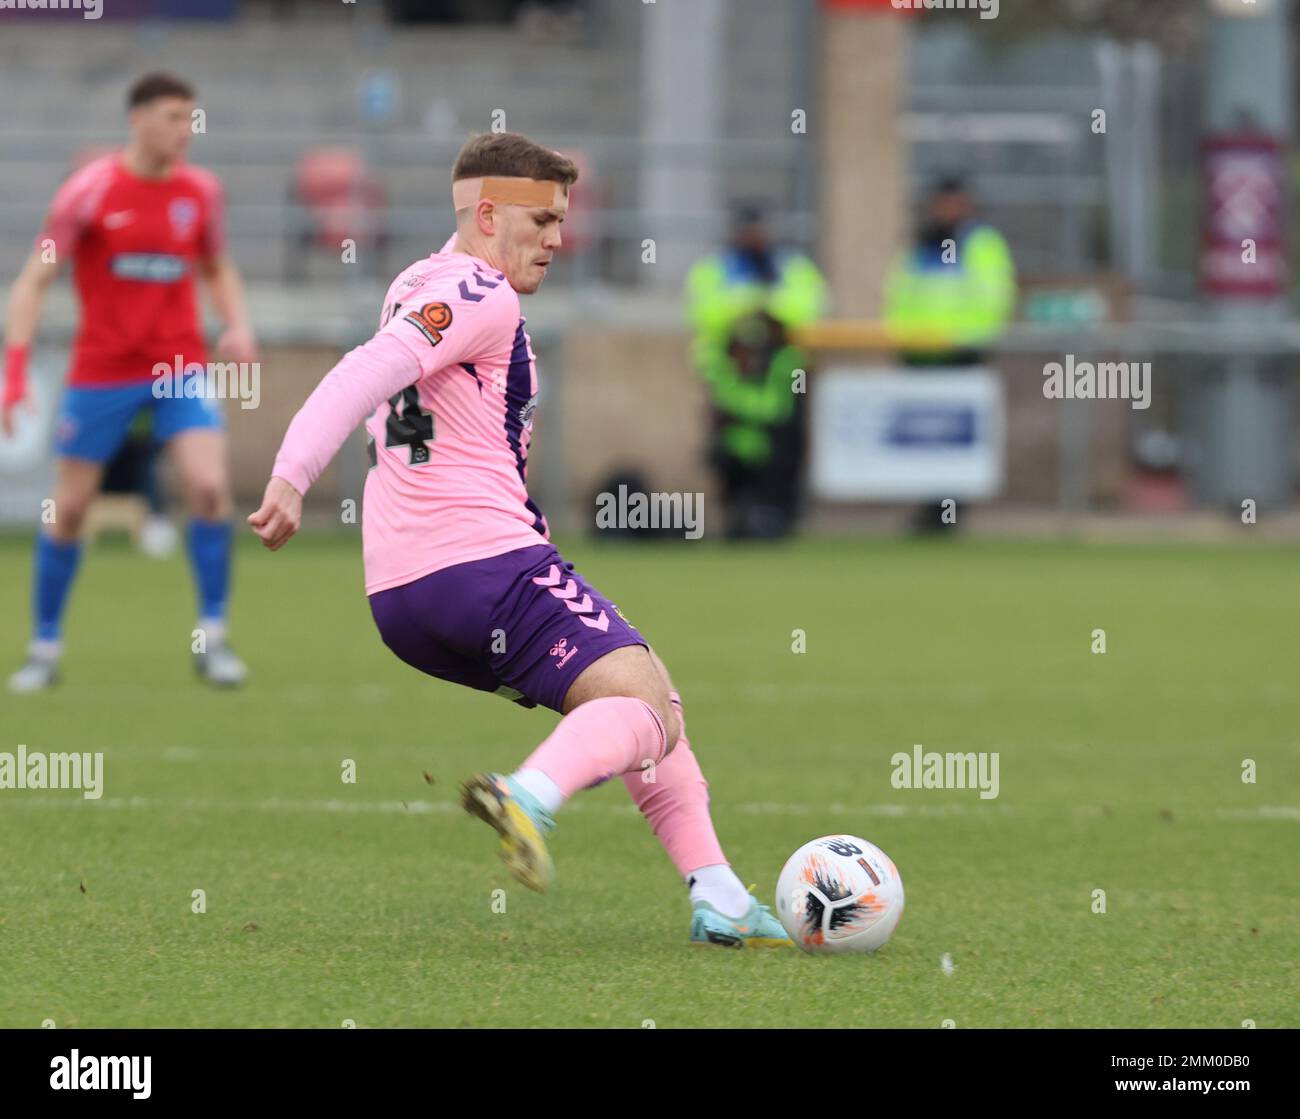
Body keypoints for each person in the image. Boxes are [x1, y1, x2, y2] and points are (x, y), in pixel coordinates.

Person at [249, 132, 791, 949]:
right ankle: (527, 795)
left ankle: (718, 894)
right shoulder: (479, 291)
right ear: (488, 212)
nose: (556, 238)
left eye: (562, 220)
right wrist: (292, 474)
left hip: (404, 599)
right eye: (540, 219)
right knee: (639, 705)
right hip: (482, 565)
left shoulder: (418, 280)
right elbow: (366, 369)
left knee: (651, 692)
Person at [3, 71, 258, 692]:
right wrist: (14, 371)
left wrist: (238, 326)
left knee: (208, 489)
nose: (185, 130)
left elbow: (218, 266)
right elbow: (35, 278)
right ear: (138, 119)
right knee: (69, 509)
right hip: (103, 368)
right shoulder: (86, 194)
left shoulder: (201, 192)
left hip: (179, 367)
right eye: (173, 117)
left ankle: (214, 638)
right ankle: (44, 646)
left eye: (190, 118)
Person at [685, 203, 826, 538]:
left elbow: (811, 307)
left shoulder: (791, 267)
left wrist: (755, 307)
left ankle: (779, 516)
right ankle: (740, 513)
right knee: (730, 451)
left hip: (781, 375)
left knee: (783, 448)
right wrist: (763, 306)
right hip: (728, 376)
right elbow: (706, 311)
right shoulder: (715, 269)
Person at [884, 175, 1016, 531]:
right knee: (928, 438)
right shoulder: (921, 245)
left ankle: (949, 513)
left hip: (961, 356)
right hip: (921, 357)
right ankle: (931, 510)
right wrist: (906, 339)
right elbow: (900, 296)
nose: (945, 210)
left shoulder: (980, 244)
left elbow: (992, 299)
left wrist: (962, 338)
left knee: (955, 437)